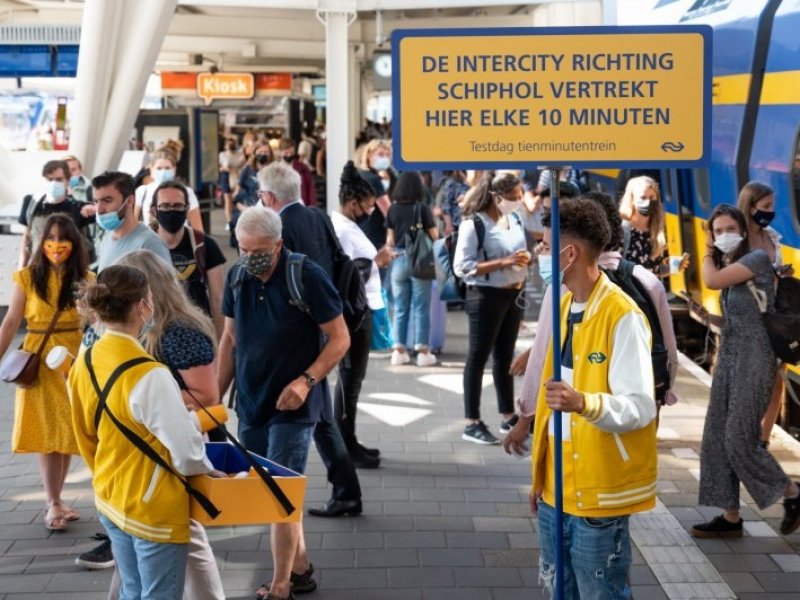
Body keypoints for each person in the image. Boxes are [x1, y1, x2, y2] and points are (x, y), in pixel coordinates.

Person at [218, 206, 350, 600]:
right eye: (242, 249)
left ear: (278, 245)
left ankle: (280, 586)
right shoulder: (237, 276)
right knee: (270, 493)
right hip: (253, 402)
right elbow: (229, 339)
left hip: (295, 406)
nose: (248, 257)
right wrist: (214, 399)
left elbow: (340, 338)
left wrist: (307, 381)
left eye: (257, 250)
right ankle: (302, 567)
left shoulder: (305, 275)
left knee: (280, 492)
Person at [529, 197, 657, 599]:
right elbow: (550, 405)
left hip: (599, 498)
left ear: (569, 253)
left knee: (600, 593)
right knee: (558, 592)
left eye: (544, 244)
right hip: (557, 492)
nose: (537, 252)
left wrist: (584, 402)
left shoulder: (623, 316)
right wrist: (540, 476)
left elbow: (640, 407)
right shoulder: (566, 305)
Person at [69, 264, 217, 600]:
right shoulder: (150, 374)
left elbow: (82, 431)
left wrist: (100, 474)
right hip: (154, 510)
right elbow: (187, 453)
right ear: (142, 306)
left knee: (132, 590)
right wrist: (208, 467)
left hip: (110, 496)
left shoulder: (86, 359)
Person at [505, 192, 679, 453]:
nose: (541, 252)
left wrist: (526, 418)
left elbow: (544, 357)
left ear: (573, 249)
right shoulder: (646, 281)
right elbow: (669, 355)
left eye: (548, 246)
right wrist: (659, 398)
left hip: (578, 426)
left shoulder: (566, 290)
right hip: (628, 434)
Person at [258, 162, 372, 512]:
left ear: (268, 196)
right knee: (321, 414)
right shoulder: (318, 216)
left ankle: (344, 492)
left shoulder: (279, 229)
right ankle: (346, 491)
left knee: (312, 409)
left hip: (299, 333)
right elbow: (339, 262)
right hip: (328, 324)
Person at [692, 204, 800, 538]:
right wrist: (709, 318)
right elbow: (743, 317)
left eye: (728, 229)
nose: (723, 235)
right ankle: (730, 516)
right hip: (731, 356)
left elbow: (709, 280)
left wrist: (708, 248)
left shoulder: (755, 259)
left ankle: (793, 494)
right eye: (717, 230)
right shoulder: (734, 264)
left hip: (756, 357)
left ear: (742, 230)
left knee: (738, 438)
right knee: (716, 436)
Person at [0, 215, 91, 532]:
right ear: (41, 242)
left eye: (62, 237)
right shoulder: (26, 277)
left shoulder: (85, 279)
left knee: (65, 434)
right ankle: (52, 502)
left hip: (72, 359)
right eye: (50, 236)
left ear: (74, 243)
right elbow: (11, 322)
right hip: (39, 360)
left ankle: (58, 498)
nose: (56, 243)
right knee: (49, 436)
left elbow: (95, 321)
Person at [452, 174, 529, 445]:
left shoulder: (514, 219)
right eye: (513, 198)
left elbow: (519, 249)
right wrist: (502, 262)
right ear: (496, 197)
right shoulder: (474, 225)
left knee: (504, 356)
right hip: (485, 296)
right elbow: (462, 267)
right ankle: (472, 422)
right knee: (478, 357)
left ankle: (508, 415)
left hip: (513, 293)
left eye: (520, 196)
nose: (518, 202)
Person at [330, 162, 393, 464]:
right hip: (353, 314)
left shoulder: (349, 226)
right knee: (349, 380)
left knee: (353, 381)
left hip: (360, 309)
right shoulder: (342, 230)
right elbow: (347, 275)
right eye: (368, 205)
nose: (371, 210)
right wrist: (378, 262)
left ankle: (349, 440)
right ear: (353, 203)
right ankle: (345, 445)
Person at [735, 181, 794, 448]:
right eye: (766, 206)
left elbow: (772, 275)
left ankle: (763, 441)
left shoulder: (772, 238)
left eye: (772, 206)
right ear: (751, 206)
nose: (770, 212)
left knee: (775, 384)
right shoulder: (738, 239)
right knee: (751, 383)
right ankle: (744, 438)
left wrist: (780, 275)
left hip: (773, 318)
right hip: (749, 319)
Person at [150, 181, 226, 338]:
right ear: (153, 211)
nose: (172, 210)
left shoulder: (204, 245)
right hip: (157, 334)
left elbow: (218, 300)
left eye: (178, 206)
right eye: (165, 206)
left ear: (186, 209)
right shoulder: (144, 247)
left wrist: (219, 344)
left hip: (199, 332)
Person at [385, 172, 439, 367]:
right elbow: (434, 235)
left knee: (399, 307)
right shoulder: (422, 208)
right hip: (420, 262)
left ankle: (398, 351)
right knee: (421, 307)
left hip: (398, 260)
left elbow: (389, 240)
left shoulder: (392, 209)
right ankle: (423, 352)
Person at [18, 159, 96, 268]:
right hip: (38, 270)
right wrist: (21, 269)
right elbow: (27, 237)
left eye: (59, 179)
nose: (54, 183)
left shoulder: (78, 207)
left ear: (68, 180)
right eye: (50, 179)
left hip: (71, 274)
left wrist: (96, 208)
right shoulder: (31, 204)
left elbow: (108, 214)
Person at [92, 171, 172, 273]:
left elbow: (165, 288)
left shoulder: (149, 244)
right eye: (96, 201)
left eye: (107, 201)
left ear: (129, 201)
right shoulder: (106, 240)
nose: (99, 210)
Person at [134, 147, 204, 231]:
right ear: (151, 170)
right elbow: (134, 225)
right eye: (159, 168)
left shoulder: (186, 192)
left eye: (167, 168)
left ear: (174, 169)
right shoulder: (142, 192)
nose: (163, 172)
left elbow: (198, 229)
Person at [619, 175, 668, 277]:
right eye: (643, 197)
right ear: (632, 200)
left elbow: (655, 270)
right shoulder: (620, 231)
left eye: (652, 197)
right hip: (626, 292)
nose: (648, 202)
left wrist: (673, 267)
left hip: (648, 292)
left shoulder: (658, 230)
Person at [278, 138, 317, 207]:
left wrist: (312, 207)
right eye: (286, 153)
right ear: (280, 152)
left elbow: (310, 189)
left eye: (291, 153)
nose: (289, 155)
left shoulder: (303, 168)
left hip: (301, 205)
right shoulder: (275, 169)